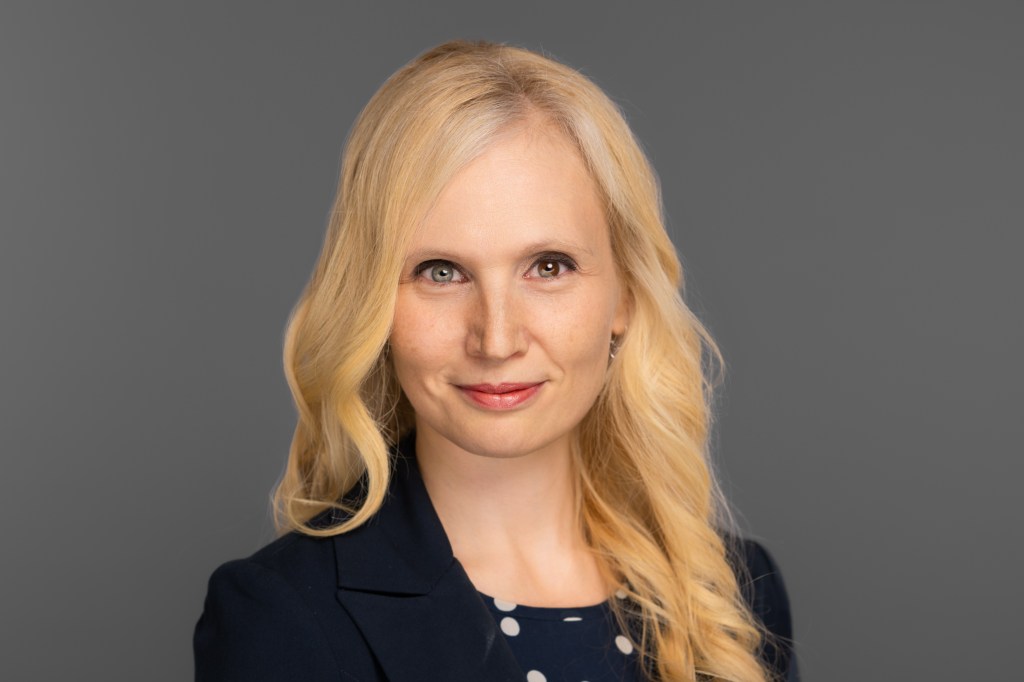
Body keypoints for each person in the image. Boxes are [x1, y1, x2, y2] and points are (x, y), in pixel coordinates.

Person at [194, 39, 797, 682]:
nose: (497, 338)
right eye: (441, 271)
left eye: (548, 266)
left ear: (624, 295)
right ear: (371, 303)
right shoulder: (280, 616)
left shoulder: (735, 594)